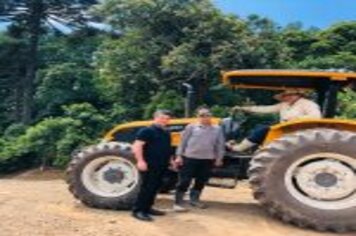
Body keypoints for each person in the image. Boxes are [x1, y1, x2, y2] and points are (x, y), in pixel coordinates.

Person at [228, 89, 322, 152]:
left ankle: (240, 148)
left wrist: (295, 119)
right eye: (285, 95)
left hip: (298, 131)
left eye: (291, 95)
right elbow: (266, 109)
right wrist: (244, 108)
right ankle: (248, 147)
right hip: (285, 128)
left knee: (263, 129)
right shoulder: (284, 104)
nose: (288, 97)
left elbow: (316, 116)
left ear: (298, 95)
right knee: (259, 127)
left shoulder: (308, 104)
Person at [174, 107, 225, 212]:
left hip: (207, 159)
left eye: (207, 115)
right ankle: (178, 202)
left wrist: (219, 158)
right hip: (189, 158)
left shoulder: (217, 129)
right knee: (184, 180)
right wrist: (179, 156)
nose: (205, 117)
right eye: (202, 115)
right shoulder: (191, 127)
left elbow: (219, 145)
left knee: (201, 181)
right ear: (198, 117)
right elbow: (182, 142)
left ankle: (194, 199)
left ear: (211, 116)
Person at [131, 110, 173, 222]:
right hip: (149, 164)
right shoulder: (147, 130)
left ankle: (148, 208)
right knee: (147, 188)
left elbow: (167, 149)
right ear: (155, 118)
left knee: (155, 187)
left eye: (167, 118)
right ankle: (138, 211)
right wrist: (140, 161)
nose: (165, 120)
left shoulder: (166, 132)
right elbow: (137, 146)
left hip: (162, 165)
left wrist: (171, 160)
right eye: (162, 117)